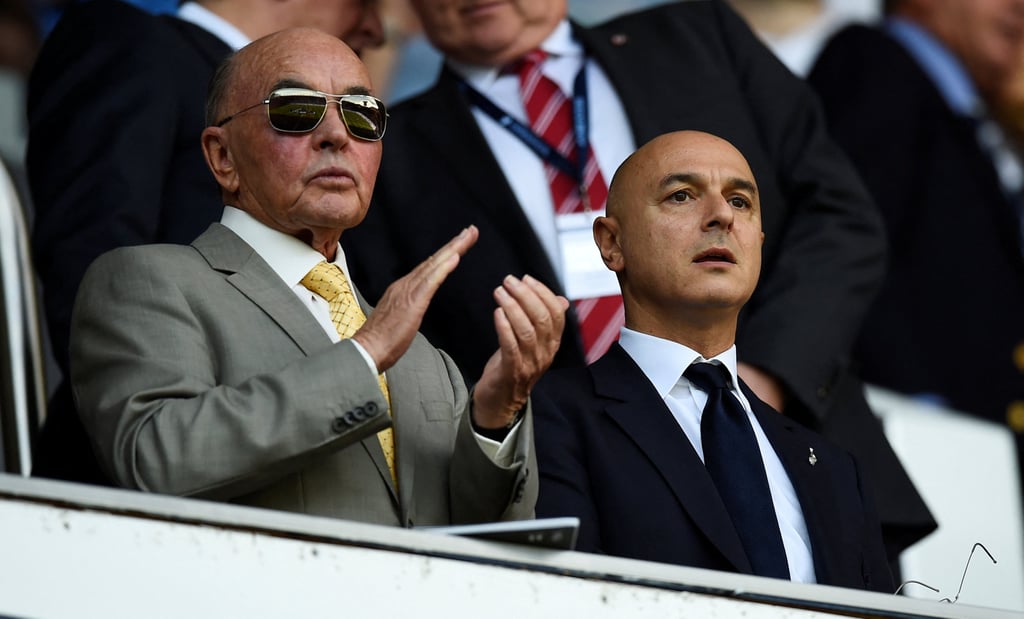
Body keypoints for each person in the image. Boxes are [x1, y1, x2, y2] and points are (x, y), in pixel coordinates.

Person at [341, 0, 935, 562]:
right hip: (588, 511)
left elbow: (839, 215)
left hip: (803, 465)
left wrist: (764, 379)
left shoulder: (700, 40)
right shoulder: (392, 156)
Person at [68, 27, 568, 525]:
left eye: (362, 115)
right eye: (295, 110)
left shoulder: (424, 357)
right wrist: (365, 354)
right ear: (223, 157)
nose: (336, 134)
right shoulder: (149, 282)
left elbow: (495, 534)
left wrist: (497, 413)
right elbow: (155, 461)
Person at [26, 0, 383, 485]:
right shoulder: (132, 45)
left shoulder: (338, 142)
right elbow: (90, 266)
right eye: (367, 2)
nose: (375, 29)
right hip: (149, 500)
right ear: (219, 153)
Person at [533, 130, 892, 591]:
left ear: (760, 241)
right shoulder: (552, 417)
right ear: (611, 243)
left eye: (741, 201)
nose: (722, 215)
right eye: (681, 195)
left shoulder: (834, 467)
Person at [808, 0, 1024, 477]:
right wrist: (929, 418)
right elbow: (838, 249)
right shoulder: (874, 64)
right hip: (924, 461)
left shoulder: (961, 117)